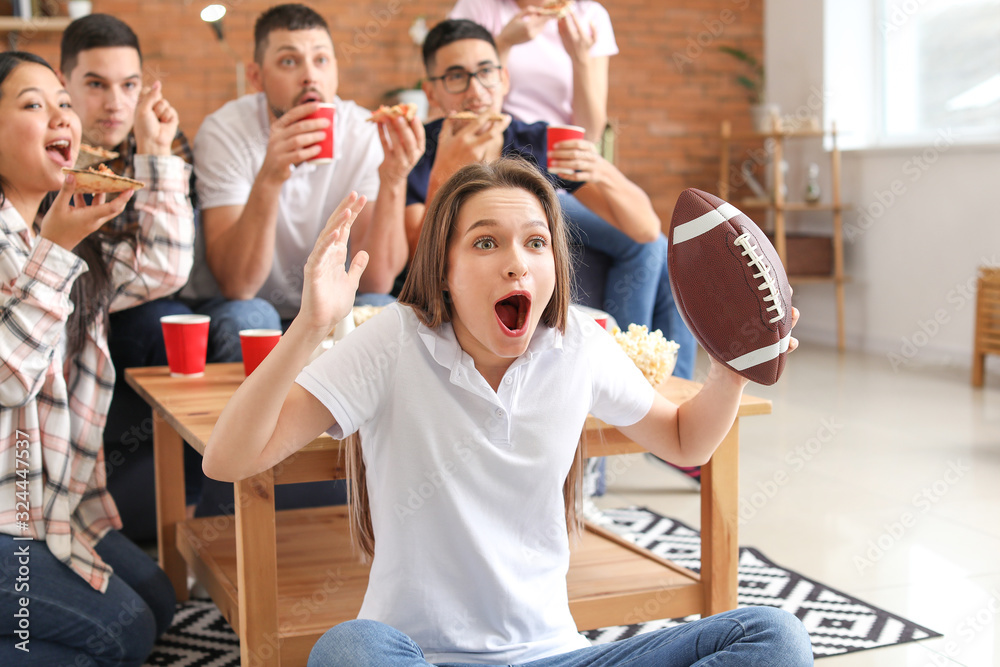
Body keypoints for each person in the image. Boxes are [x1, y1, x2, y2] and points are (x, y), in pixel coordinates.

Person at [201, 157, 810, 665]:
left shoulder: (579, 343)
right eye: (486, 242)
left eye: (536, 243)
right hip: (421, 656)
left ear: (553, 267)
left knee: (773, 637)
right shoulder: (394, 340)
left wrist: (734, 361)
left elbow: (684, 441)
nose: (516, 261)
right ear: (443, 269)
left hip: (553, 653)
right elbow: (230, 459)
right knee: (349, 649)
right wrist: (309, 327)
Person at [187, 3, 424, 515]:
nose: (310, 75)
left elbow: (381, 277)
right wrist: (271, 175)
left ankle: (364, 505)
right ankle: (233, 511)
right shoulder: (227, 131)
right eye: (290, 61)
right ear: (256, 75)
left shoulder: (362, 129)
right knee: (248, 317)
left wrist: (393, 180)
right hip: (254, 305)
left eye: (321, 59)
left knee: (384, 311)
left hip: (334, 305)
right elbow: (238, 283)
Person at [0, 51, 190, 665]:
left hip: (49, 509)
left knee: (159, 603)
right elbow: (7, 377)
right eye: (33, 104)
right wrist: (56, 248)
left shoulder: (50, 234)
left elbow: (162, 268)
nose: (62, 116)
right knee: (120, 633)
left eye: (62, 102)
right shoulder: (47, 242)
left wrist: (156, 152)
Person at [450, 0, 615, 143]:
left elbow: (591, 132)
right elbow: (463, 97)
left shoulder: (591, 15)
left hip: (561, 152)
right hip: (500, 147)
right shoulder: (478, 6)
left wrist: (580, 60)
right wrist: (504, 43)